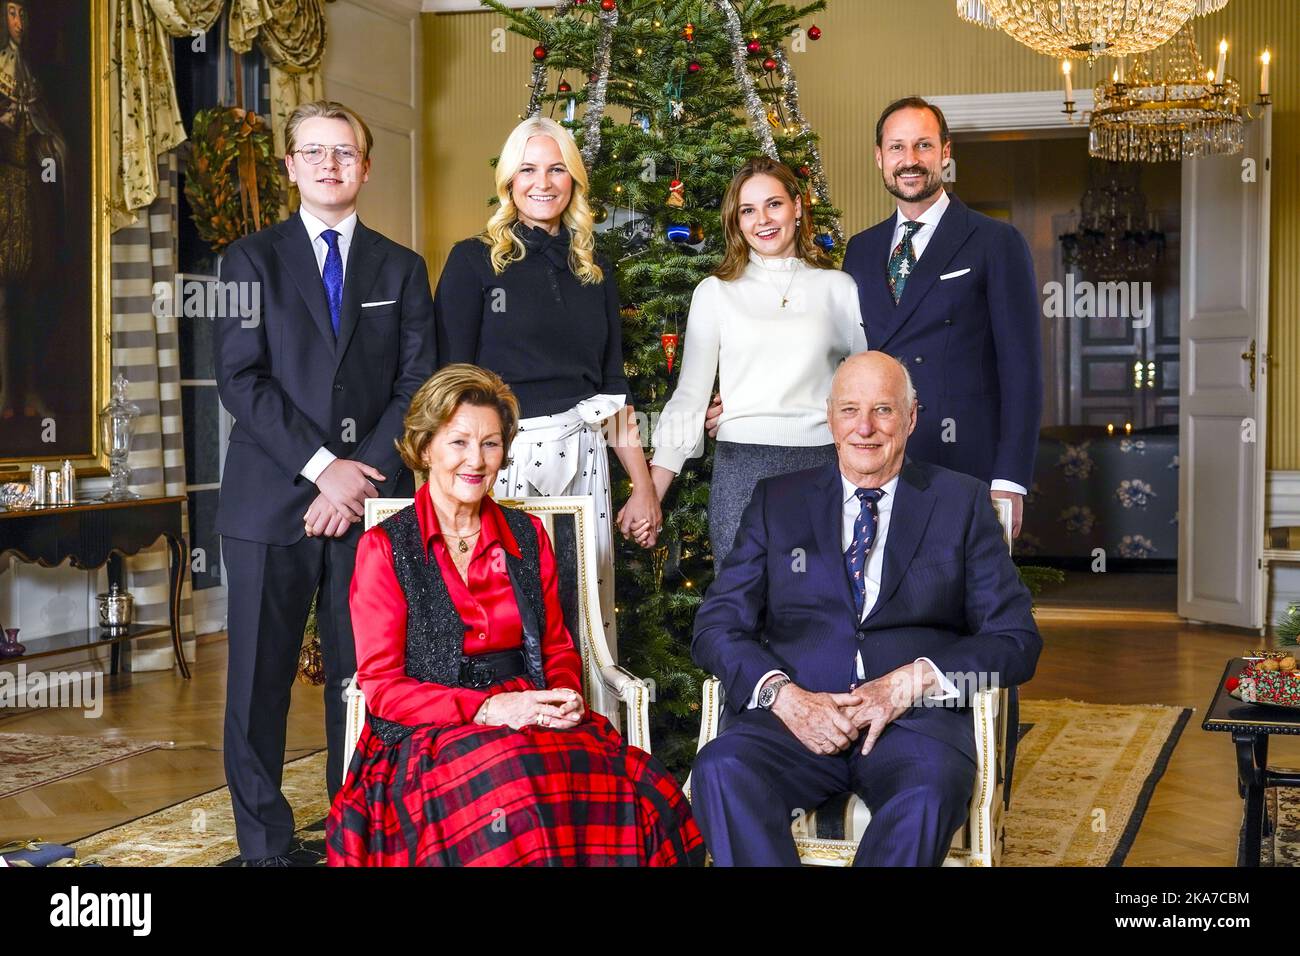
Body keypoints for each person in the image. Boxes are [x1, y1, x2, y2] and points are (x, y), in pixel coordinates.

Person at [326, 364, 704, 866]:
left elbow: (557, 649)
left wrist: (566, 694)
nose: (476, 461)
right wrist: (485, 711)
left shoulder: (527, 536)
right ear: (425, 448)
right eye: (459, 442)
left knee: (648, 792)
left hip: (528, 707)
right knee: (511, 796)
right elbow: (385, 688)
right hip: (428, 730)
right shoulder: (386, 548)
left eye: (490, 444)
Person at [689, 351, 1041, 866]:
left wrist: (910, 682)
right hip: (796, 720)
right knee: (721, 768)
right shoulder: (777, 501)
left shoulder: (960, 503)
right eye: (850, 410)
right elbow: (716, 627)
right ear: (830, 417)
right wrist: (785, 697)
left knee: (928, 793)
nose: (865, 428)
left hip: (914, 726)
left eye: (884, 410)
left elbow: (1016, 640)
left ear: (913, 417)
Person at [215, 100, 436, 865]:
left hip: (371, 504)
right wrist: (323, 470)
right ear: (290, 167)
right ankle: (266, 847)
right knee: (256, 685)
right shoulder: (248, 262)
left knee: (363, 677)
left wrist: (359, 481)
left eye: (344, 151)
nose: (330, 164)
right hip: (268, 499)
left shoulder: (402, 267)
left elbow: (418, 386)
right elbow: (240, 380)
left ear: (366, 167)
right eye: (314, 152)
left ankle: (355, 827)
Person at [703, 98, 1042, 539]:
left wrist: (1010, 480)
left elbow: (1023, 372)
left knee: (965, 601)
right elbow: (839, 355)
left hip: (964, 463)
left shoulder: (996, 241)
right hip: (875, 460)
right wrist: (756, 394)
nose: (910, 160)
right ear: (880, 157)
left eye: (923, 145)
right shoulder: (862, 249)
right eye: (897, 148)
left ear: (945, 153)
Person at [433, 116, 659, 658]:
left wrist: (644, 485)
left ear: (574, 180)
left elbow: (612, 388)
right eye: (528, 169)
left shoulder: (595, 267)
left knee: (582, 611)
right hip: (500, 459)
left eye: (557, 168)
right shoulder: (472, 261)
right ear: (509, 181)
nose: (543, 182)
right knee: (508, 614)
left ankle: (583, 732)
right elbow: (450, 388)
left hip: (585, 458)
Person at [647, 158, 865, 570]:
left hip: (821, 466)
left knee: (819, 602)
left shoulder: (839, 288)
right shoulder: (715, 292)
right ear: (736, 220)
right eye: (748, 210)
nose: (762, 220)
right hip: (741, 468)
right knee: (742, 605)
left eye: (774, 205)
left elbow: (866, 384)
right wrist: (653, 488)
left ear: (797, 207)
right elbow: (691, 394)